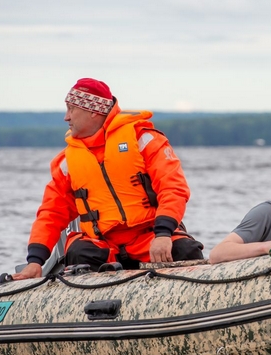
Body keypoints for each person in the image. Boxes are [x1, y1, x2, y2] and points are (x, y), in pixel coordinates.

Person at [14, 78, 203, 280]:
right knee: (79, 253)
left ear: (93, 111)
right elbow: (51, 213)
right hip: (102, 244)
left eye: (71, 109)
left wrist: (164, 234)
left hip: (149, 237)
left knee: (184, 250)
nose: (66, 117)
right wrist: (35, 261)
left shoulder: (143, 140)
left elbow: (173, 188)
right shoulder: (67, 163)